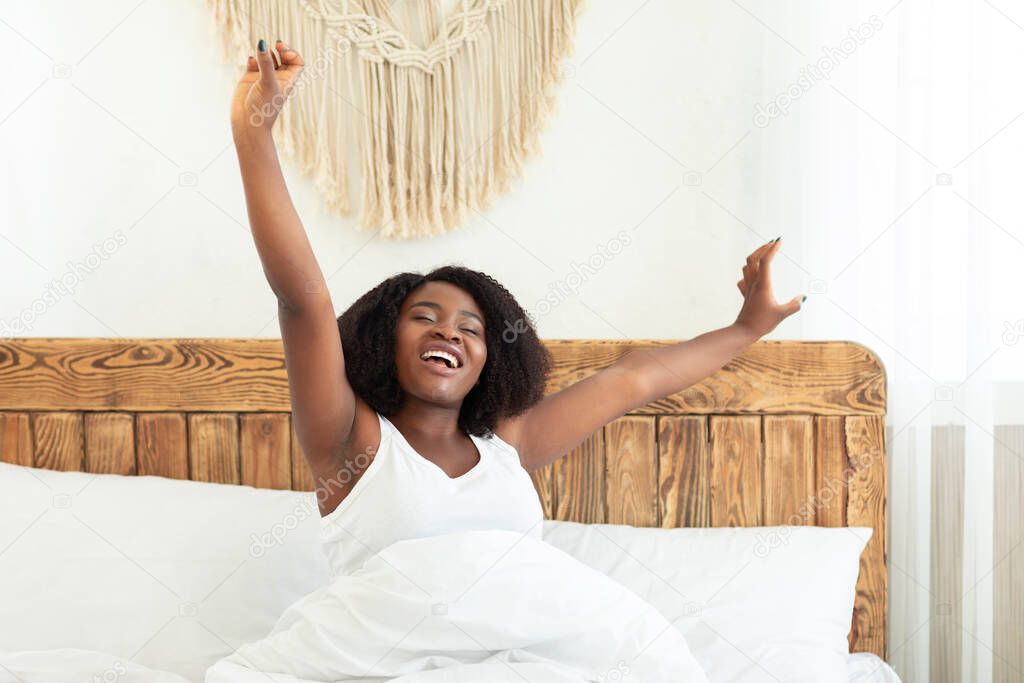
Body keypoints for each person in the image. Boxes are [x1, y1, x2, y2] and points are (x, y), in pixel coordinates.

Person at [229, 38, 804, 575]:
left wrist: (747, 328)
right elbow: (303, 301)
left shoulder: (509, 446)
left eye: (471, 329)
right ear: (384, 340)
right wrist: (253, 132)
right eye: (424, 317)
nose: (449, 333)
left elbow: (635, 379)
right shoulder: (351, 439)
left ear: (490, 361)